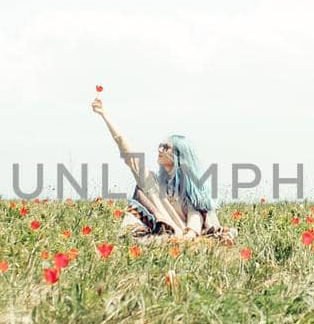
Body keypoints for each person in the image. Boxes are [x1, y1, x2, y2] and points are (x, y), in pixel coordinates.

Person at [91, 95, 233, 242]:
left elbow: (195, 214)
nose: (160, 150)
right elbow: (128, 153)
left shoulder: (191, 188)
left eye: (166, 148)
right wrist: (104, 115)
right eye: (160, 146)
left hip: (183, 238)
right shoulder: (152, 182)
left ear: (179, 156)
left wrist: (190, 234)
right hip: (165, 236)